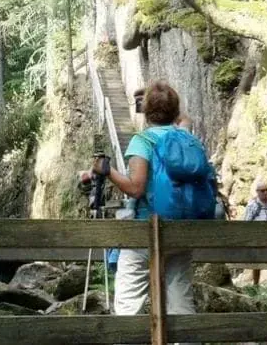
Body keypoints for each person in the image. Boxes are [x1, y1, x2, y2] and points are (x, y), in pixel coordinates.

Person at [92, 80, 214, 345]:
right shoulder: (189, 139)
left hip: (147, 231)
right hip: (182, 231)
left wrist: (108, 171)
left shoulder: (143, 140)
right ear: (175, 110)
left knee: (129, 301)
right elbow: (184, 119)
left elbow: (136, 188)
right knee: (180, 301)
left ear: (145, 111)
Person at [244, 180, 267, 287]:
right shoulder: (252, 205)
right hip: (257, 238)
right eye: (262, 191)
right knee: (257, 262)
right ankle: (256, 285)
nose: (265, 193)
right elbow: (247, 222)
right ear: (257, 192)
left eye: (266, 190)